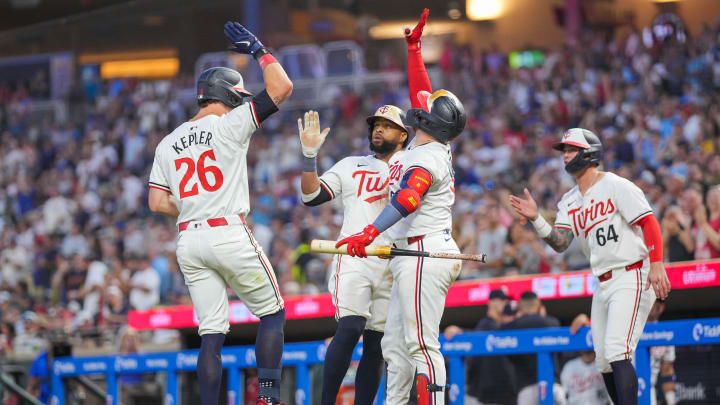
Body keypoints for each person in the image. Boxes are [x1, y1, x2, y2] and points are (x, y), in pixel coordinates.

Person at [147, 21, 293, 405]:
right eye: (237, 96)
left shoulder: (167, 142)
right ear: (226, 95)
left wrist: (195, 206)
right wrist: (259, 50)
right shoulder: (230, 124)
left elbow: (157, 202)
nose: (240, 101)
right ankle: (267, 397)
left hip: (189, 238)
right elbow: (282, 88)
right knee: (273, 314)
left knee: (211, 333)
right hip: (227, 231)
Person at [336, 9, 467, 405]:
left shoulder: (427, 158)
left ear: (435, 123)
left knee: (422, 346)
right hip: (412, 253)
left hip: (425, 251)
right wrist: (415, 50)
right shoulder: (425, 142)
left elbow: (408, 200)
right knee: (394, 346)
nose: (421, 107)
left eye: (428, 109)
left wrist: (369, 231)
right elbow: (422, 91)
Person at [509, 128, 672, 405]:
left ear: (589, 153)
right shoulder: (569, 200)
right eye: (564, 151)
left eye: (571, 150)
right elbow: (561, 243)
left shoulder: (615, 184)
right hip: (603, 281)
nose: (566, 156)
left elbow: (648, 222)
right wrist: (537, 219)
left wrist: (656, 264)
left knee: (618, 351)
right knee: (603, 361)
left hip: (631, 272)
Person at [298, 104, 408, 405]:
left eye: (387, 125)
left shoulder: (413, 167)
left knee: (378, 344)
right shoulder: (351, 164)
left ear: (403, 135)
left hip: (394, 260)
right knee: (350, 327)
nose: (378, 129)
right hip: (355, 255)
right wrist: (310, 157)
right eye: (375, 124)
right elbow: (311, 196)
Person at [444, 289, 517, 405]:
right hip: (484, 394)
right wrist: (460, 331)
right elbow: (478, 336)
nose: (504, 303)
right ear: (491, 302)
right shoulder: (486, 323)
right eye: (501, 300)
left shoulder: (501, 325)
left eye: (505, 300)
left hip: (497, 393)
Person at [501, 291, 566, 405]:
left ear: (520, 306)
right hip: (552, 385)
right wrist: (543, 316)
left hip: (527, 388)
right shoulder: (553, 323)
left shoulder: (511, 327)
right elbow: (561, 354)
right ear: (539, 305)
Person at [647, 300, 676, 405]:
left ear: (661, 307)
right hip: (623, 387)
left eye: (655, 303)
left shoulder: (666, 334)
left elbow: (667, 371)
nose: (652, 306)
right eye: (650, 301)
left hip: (648, 389)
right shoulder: (630, 328)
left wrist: (671, 402)